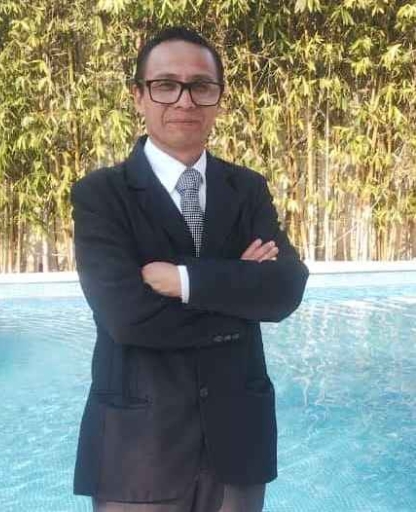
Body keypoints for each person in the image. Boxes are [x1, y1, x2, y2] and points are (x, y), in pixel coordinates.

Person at [70, 26, 309, 512]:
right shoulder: (101, 195)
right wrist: (239, 293)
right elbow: (127, 317)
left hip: (238, 444)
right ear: (138, 96)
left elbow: (285, 288)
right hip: (138, 452)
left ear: (218, 98)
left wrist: (183, 281)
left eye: (201, 86)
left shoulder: (247, 189)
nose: (185, 100)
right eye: (166, 85)